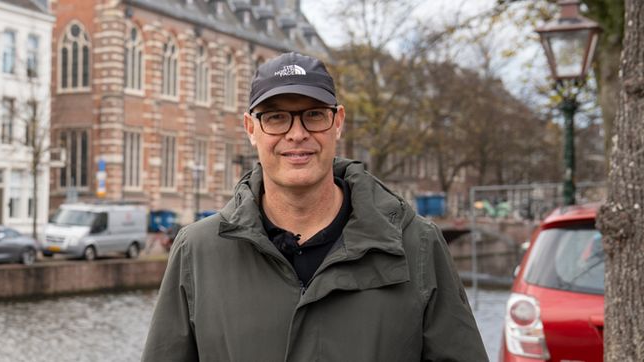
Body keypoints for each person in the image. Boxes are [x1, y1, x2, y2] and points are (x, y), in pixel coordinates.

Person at [141, 52, 488, 361]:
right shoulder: (197, 251)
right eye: (276, 117)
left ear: (337, 123)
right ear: (251, 128)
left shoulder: (417, 245)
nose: (297, 134)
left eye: (313, 115)